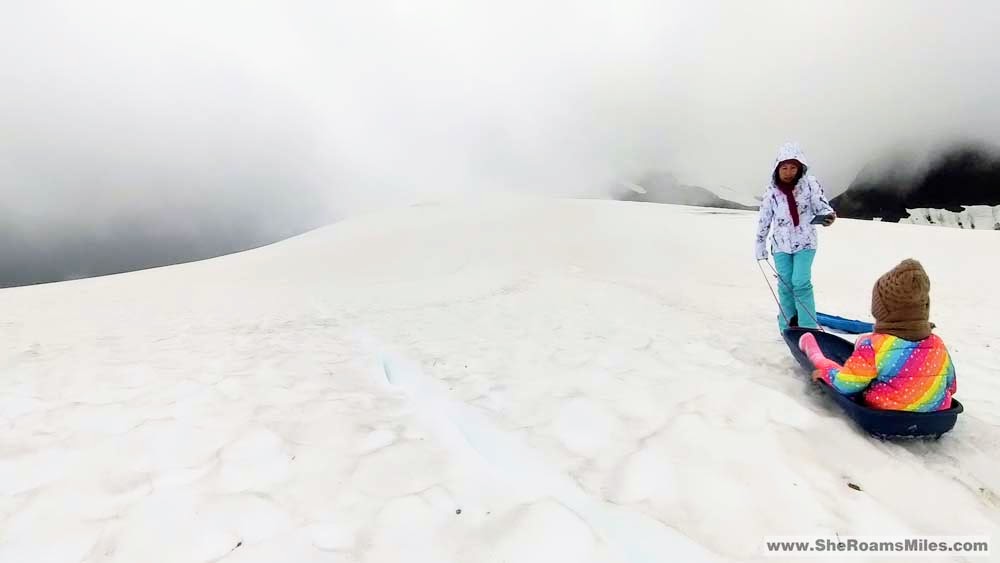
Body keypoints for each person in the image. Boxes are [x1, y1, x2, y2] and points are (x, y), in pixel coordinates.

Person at [799, 258, 957, 412]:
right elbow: (951, 385)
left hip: (886, 412)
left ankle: (813, 351)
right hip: (937, 413)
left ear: (882, 309)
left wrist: (829, 375)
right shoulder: (937, 343)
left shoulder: (876, 346)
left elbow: (847, 385)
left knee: (834, 368)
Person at [754, 142, 836, 331]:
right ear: (777, 168)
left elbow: (821, 205)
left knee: (800, 281)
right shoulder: (771, 192)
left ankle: (808, 326)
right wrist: (760, 244)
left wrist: (828, 216)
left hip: (805, 243)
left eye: (793, 167)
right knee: (785, 285)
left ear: (800, 168)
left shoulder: (810, 184)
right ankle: (788, 325)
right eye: (784, 168)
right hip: (780, 246)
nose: (789, 172)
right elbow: (765, 220)